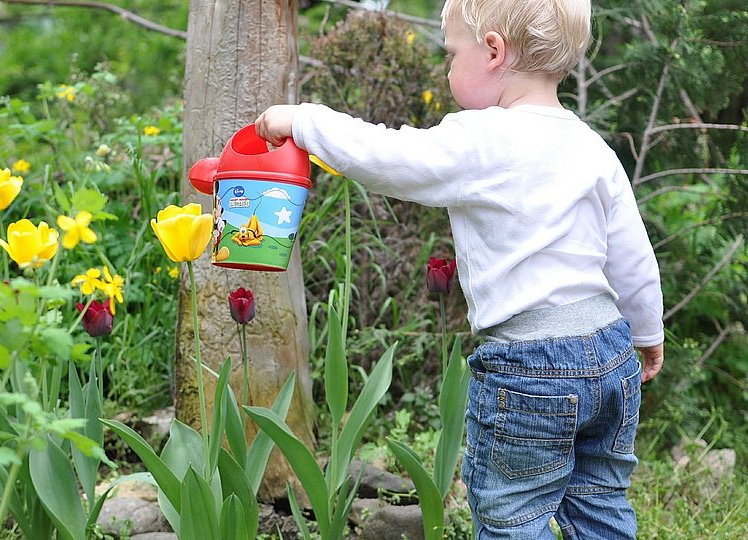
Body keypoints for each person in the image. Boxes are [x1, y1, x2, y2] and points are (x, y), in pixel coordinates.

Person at [255, 0, 664, 537]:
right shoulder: (591, 146)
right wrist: (647, 330)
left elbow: (388, 157)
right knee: (600, 502)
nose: (446, 68)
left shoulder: (482, 138)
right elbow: (631, 251)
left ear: (493, 51)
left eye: (451, 54)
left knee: (513, 514)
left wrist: (303, 121)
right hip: (609, 353)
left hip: (530, 365)